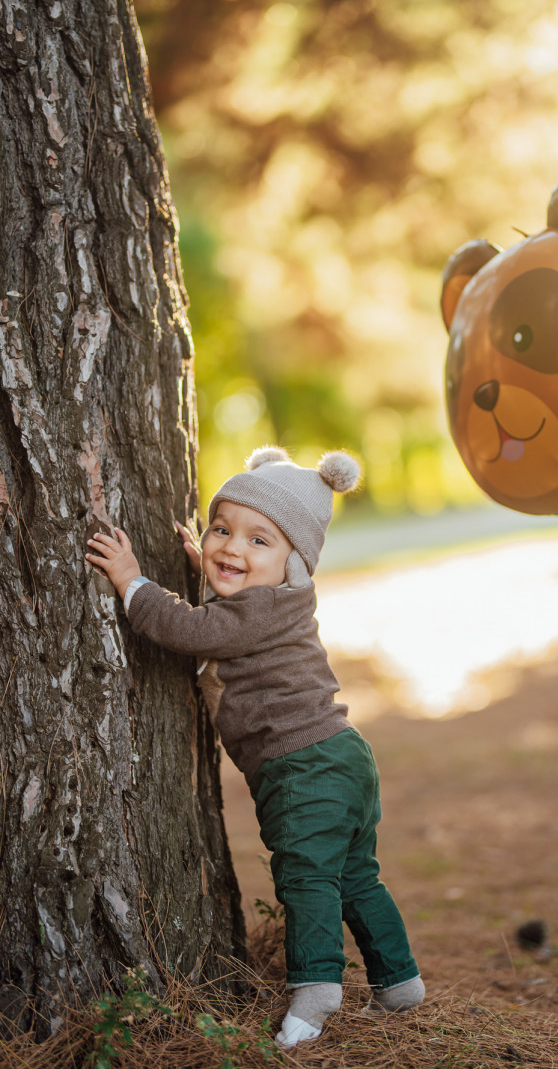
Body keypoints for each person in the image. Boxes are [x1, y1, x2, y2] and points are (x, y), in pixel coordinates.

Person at [85, 446, 424, 1048]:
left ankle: (316, 990)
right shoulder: (269, 600)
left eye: (258, 540)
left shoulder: (267, 606)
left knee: (306, 879)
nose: (231, 548)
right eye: (221, 529)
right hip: (338, 754)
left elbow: (193, 629)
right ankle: (399, 983)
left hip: (306, 764)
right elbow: (230, 604)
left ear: (296, 563)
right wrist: (206, 564)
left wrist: (130, 580)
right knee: (353, 878)